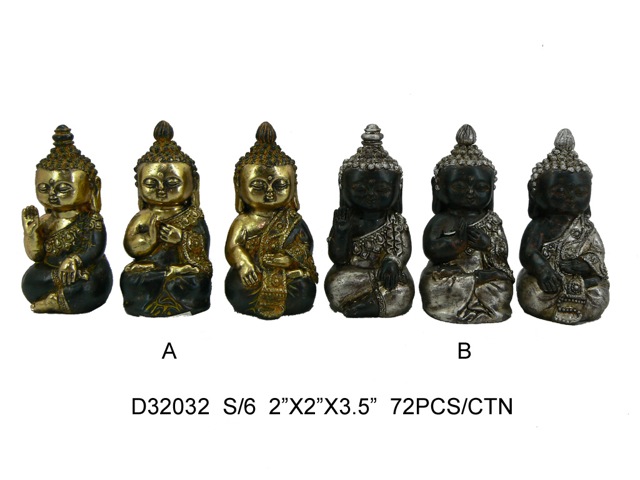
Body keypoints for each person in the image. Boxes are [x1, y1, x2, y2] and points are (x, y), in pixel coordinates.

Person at [420, 124, 513, 323]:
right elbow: (430, 250)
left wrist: (487, 245)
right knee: (431, 282)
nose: (470, 193)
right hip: (450, 275)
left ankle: (479, 302)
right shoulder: (442, 220)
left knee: (502, 285)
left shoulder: (491, 221)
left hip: (484, 275)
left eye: (480, 187)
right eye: (459, 186)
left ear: (491, 190)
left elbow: (502, 254)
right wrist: (456, 245)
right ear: (439, 189)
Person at [225, 122, 317, 319]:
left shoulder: (292, 220)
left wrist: (290, 260)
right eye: (258, 186)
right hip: (253, 276)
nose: (269, 193)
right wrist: (244, 264)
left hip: (286, 275)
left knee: (304, 286)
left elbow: (305, 248)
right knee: (236, 285)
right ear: (240, 187)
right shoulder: (243, 221)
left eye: (279, 185)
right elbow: (233, 247)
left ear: (293, 188)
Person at [517, 128, 609, 324]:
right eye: (559, 191)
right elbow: (527, 253)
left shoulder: (586, 228)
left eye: (580, 192)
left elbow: (597, 255)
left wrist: (584, 265)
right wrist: (543, 270)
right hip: (546, 283)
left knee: (599, 291)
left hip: (581, 281)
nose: (570, 198)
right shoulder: (540, 225)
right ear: (536, 194)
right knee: (529, 289)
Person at [121, 121, 212, 316]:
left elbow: (202, 254)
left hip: (184, 272)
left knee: (197, 282)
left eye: (172, 183)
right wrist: (148, 241)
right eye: (151, 183)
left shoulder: (192, 216)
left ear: (193, 184)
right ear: (139, 186)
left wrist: (182, 238)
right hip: (151, 271)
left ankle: (183, 301)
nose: (161, 190)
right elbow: (131, 247)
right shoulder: (144, 216)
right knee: (130, 278)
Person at [325, 124, 414, 317]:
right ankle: (373, 301)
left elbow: (403, 250)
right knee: (336, 282)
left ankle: (369, 304)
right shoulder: (348, 220)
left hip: (386, 275)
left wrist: (393, 262)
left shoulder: (396, 222)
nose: (371, 195)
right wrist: (341, 232)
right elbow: (338, 258)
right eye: (360, 189)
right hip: (353, 274)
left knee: (404, 289)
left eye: (382, 190)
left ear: (397, 190)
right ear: (343, 188)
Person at [22, 125, 112, 313]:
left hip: (84, 271)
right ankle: (59, 298)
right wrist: (31, 234)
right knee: (30, 280)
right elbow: (37, 256)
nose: (52, 195)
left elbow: (96, 249)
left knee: (93, 284)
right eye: (44, 188)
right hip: (54, 272)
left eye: (63, 188)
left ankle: (56, 301)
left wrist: (75, 260)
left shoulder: (92, 220)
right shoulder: (46, 220)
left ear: (91, 188)